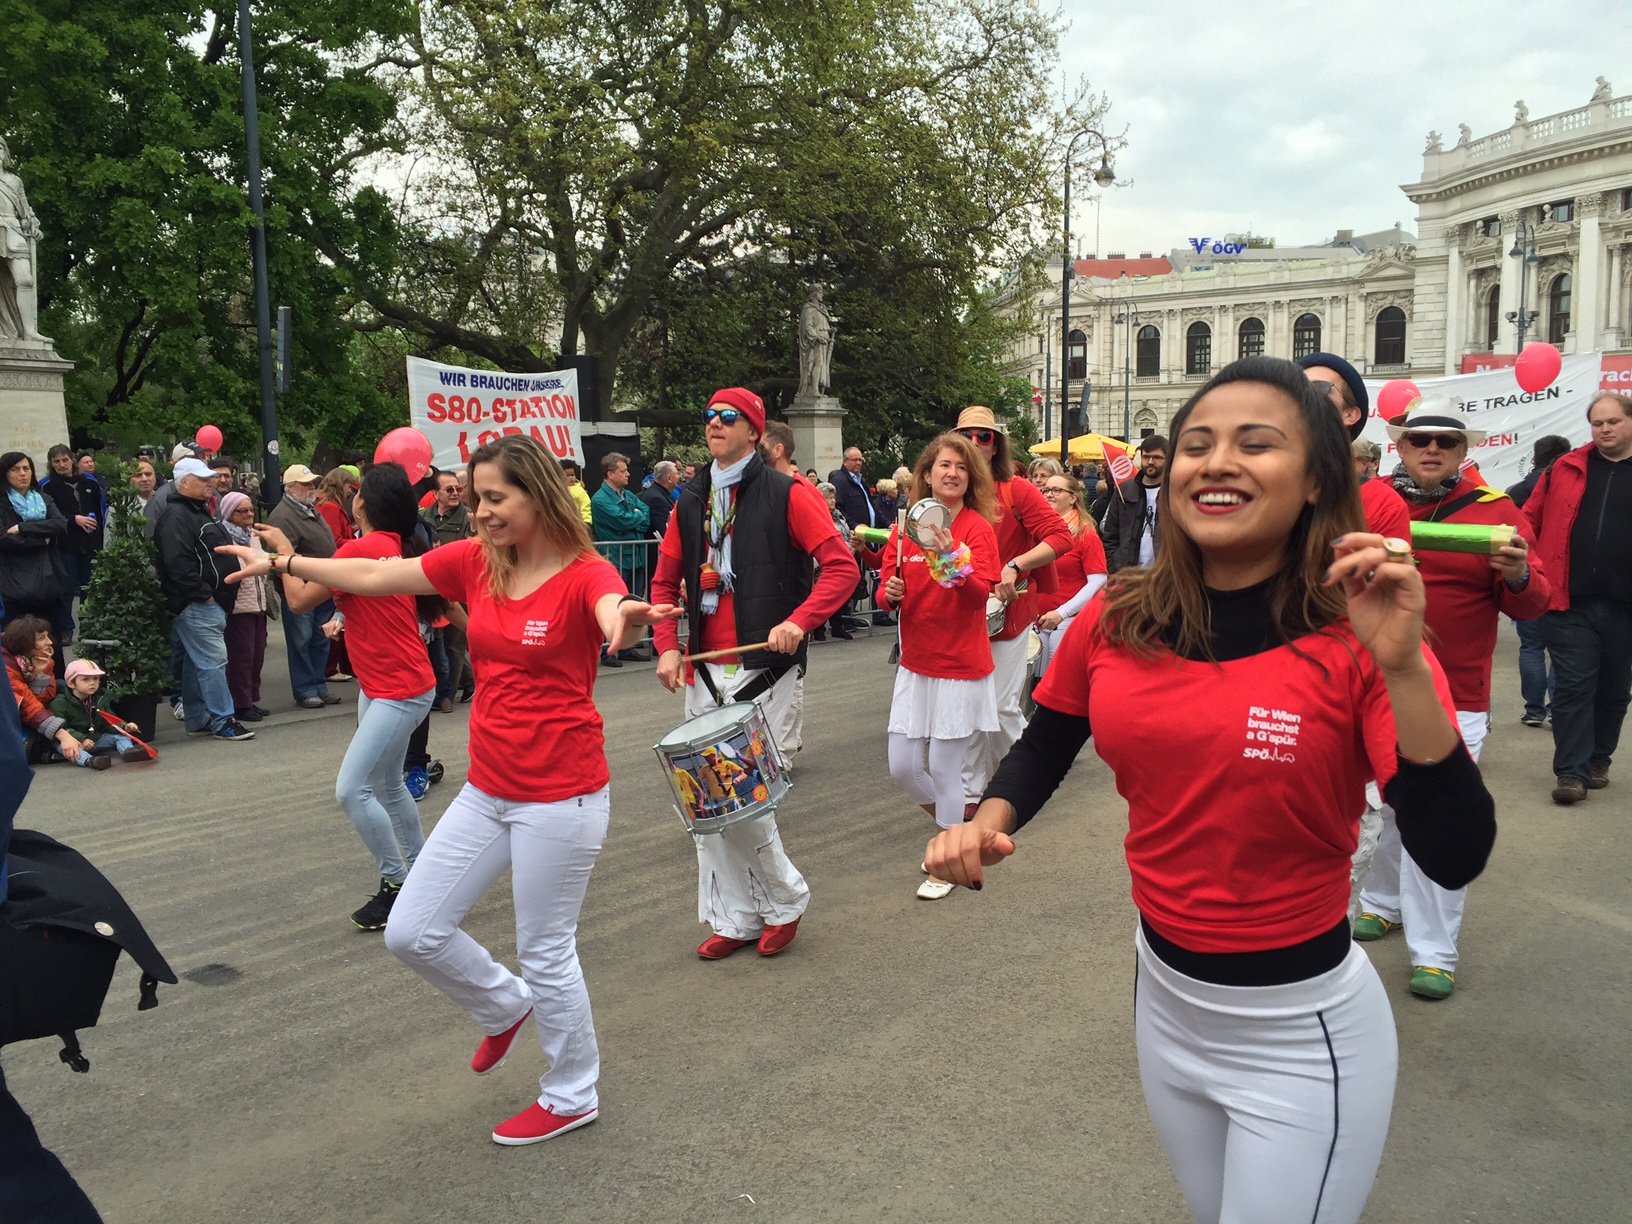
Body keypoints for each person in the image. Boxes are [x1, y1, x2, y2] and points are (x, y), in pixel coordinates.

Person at [925, 356, 1495, 1224]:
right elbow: (1048, 738)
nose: (1216, 461)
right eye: (1197, 444)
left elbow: (1453, 852)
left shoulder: (1360, 635)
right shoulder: (1119, 613)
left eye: (1255, 444)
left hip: (1299, 1035)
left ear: (1316, 480)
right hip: (1166, 1005)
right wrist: (987, 820)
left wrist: (1406, 667)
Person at [219, 434, 677, 1146]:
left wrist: (620, 616)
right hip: (489, 789)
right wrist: (282, 562)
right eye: (475, 498)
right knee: (412, 931)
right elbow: (373, 575)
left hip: (562, 796)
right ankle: (503, 1006)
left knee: (546, 949)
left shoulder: (584, 573)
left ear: (538, 495)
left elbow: (607, 603)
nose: (480, 512)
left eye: (496, 498)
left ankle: (571, 1093)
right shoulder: (475, 562)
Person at [649, 387, 857, 960]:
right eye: (709, 415)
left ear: (754, 431)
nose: (714, 423)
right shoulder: (691, 500)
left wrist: (799, 620)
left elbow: (840, 568)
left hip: (763, 668)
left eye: (728, 416)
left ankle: (782, 903)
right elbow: (664, 583)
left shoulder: (790, 494)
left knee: (742, 794)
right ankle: (734, 916)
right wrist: (666, 647)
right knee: (708, 801)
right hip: (703, 670)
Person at [1352, 400, 1548, 1000]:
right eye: (1420, 440)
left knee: (1432, 812)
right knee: (1389, 806)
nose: (1432, 449)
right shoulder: (1370, 503)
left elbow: (1533, 602)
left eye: (1446, 441)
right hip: (1370, 685)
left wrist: (1516, 574)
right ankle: (1382, 902)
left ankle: (1434, 952)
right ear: (1400, 447)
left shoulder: (1497, 512)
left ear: (1464, 450)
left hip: (1455, 693)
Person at [256, 464, 442, 929]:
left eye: (357, 492)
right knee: (387, 785)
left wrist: (282, 551)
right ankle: (424, 877)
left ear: (362, 505)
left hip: (398, 688)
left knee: (351, 789)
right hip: (390, 684)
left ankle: (397, 883)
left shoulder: (360, 548)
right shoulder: (393, 545)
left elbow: (298, 600)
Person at [874, 434, 1000, 900]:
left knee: (947, 770)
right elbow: (886, 588)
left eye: (962, 468)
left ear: (971, 479)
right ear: (926, 474)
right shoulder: (905, 525)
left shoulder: (977, 529)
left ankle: (948, 859)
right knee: (903, 767)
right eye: (945, 465)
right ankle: (958, 834)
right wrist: (887, 594)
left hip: (960, 665)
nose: (953, 473)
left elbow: (979, 597)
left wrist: (950, 559)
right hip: (916, 665)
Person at [951, 406, 1073, 806]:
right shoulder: (948, 491)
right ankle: (973, 790)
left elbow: (1060, 537)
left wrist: (1016, 565)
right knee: (968, 706)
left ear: (995, 445)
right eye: (966, 435)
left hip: (1010, 611)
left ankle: (1027, 777)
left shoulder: (1016, 489)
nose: (974, 442)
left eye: (983, 435)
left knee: (1002, 707)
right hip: (961, 613)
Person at [1521, 391, 1632, 804]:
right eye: (1597, 423)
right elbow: (1528, 521)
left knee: (1614, 689)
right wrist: (1533, 568)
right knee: (1572, 687)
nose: (1604, 429)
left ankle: (1598, 758)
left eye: (1613, 421)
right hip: (1569, 602)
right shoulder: (1565, 468)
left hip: (1625, 606)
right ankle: (1570, 773)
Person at [153, 458, 254, 741]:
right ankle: (224, 720)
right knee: (213, 661)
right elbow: (177, 564)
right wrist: (204, 596)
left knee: (196, 662)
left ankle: (198, 717)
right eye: (203, 479)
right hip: (197, 603)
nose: (211, 482)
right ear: (184, 482)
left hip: (206, 601)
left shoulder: (195, 511)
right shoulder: (177, 516)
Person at [1296, 352, 1412, 541]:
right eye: (1297, 389)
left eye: (1319, 388)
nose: (1305, 398)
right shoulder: (1263, 485)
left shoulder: (1382, 504)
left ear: (1350, 414)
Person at [1506, 434, 1573, 727]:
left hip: (1528, 574)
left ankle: (1533, 710)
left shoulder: (1515, 491)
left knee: (1531, 646)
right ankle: (1557, 707)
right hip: (1562, 579)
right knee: (1561, 651)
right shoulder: (1572, 489)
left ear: (1534, 458)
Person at [267, 463, 341, 710]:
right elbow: (280, 557)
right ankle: (306, 689)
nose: (311, 488)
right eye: (305, 484)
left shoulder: (308, 509)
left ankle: (318, 686)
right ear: (290, 488)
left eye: (312, 483)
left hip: (321, 586)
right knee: (301, 640)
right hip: (302, 590)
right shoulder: (283, 516)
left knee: (319, 639)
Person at [1033, 473, 1109, 678]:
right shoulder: (1036, 531)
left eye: (1056, 490)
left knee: (1056, 681)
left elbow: (1099, 581)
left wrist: (1062, 613)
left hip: (1067, 619)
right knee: (1033, 683)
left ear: (1073, 498)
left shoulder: (1086, 535)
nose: (1049, 494)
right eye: (1046, 490)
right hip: (1035, 618)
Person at [1, 452, 69, 669]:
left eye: (26, 468)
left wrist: (22, 528)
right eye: (15, 469)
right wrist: (42, 540)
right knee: (18, 643)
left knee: (51, 641)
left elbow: (59, 524)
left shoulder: (43, 499)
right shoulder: (2, 503)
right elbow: (3, 539)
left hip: (48, 582)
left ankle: (57, 685)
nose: (22, 474)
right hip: (15, 585)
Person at [38, 447, 106, 636]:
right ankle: (66, 629)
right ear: (51, 464)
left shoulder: (90, 482)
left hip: (90, 543)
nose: (61, 464)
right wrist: (72, 519)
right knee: (66, 590)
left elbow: (101, 511)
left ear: (72, 460)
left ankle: (89, 627)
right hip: (64, 545)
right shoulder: (47, 486)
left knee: (90, 588)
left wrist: (99, 540)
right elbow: (47, 516)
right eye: (56, 461)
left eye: (64, 460)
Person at [217, 491, 271, 723]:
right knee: (242, 657)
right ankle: (241, 703)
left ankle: (251, 699)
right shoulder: (223, 537)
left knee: (257, 655)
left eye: (251, 509)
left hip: (258, 603)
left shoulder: (252, 536)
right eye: (243, 511)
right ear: (230, 513)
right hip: (239, 607)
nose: (249, 514)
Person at [3, 616, 86, 763]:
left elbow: (45, 701)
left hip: (26, 713)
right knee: (25, 749)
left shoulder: (40, 659)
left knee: (61, 686)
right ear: (25, 644)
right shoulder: (5, 667)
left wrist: (40, 676)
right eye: (42, 638)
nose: (49, 642)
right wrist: (62, 734)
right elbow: (26, 706)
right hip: (10, 717)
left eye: (48, 636)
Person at [423, 471, 475, 703]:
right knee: (436, 642)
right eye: (449, 489)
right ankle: (469, 680)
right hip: (429, 585)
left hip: (459, 587)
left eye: (458, 489)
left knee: (455, 643)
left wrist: (473, 529)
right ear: (435, 494)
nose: (455, 493)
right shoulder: (424, 517)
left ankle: (447, 696)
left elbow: (474, 550)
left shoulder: (469, 517)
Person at [46, 658, 148, 768]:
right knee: (70, 748)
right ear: (71, 683)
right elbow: (60, 729)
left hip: (95, 738)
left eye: (95, 678)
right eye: (85, 679)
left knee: (120, 737)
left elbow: (108, 720)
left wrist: (124, 727)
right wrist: (81, 739)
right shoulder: (60, 703)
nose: (92, 683)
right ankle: (90, 761)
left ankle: (130, 752)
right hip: (72, 741)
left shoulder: (99, 699)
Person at [1100, 435, 1168, 573]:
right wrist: (1114, 565)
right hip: (1128, 573)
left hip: (1164, 574)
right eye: (1146, 457)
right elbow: (1109, 533)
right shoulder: (1124, 490)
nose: (1150, 462)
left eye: (1157, 457)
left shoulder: (1176, 491)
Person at [141, 441, 200, 539]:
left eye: (203, 457)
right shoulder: (160, 499)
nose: (202, 463)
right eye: (194, 459)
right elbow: (151, 538)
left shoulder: (211, 493)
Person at [828, 446, 878, 532]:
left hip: (869, 532)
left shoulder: (861, 481)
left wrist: (887, 523)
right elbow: (837, 509)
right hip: (853, 534)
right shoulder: (838, 481)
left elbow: (871, 505)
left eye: (860, 460)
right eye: (855, 460)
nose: (858, 463)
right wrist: (854, 526)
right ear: (845, 462)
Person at [640, 460, 680, 540]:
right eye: (677, 474)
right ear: (669, 478)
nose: (679, 477)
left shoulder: (661, 493)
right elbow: (664, 529)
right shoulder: (656, 499)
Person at [561, 459, 593, 526]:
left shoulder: (580, 490)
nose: (571, 477)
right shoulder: (559, 491)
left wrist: (586, 522)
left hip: (579, 524)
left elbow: (586, 506)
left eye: (572, 475)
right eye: (567, 476)